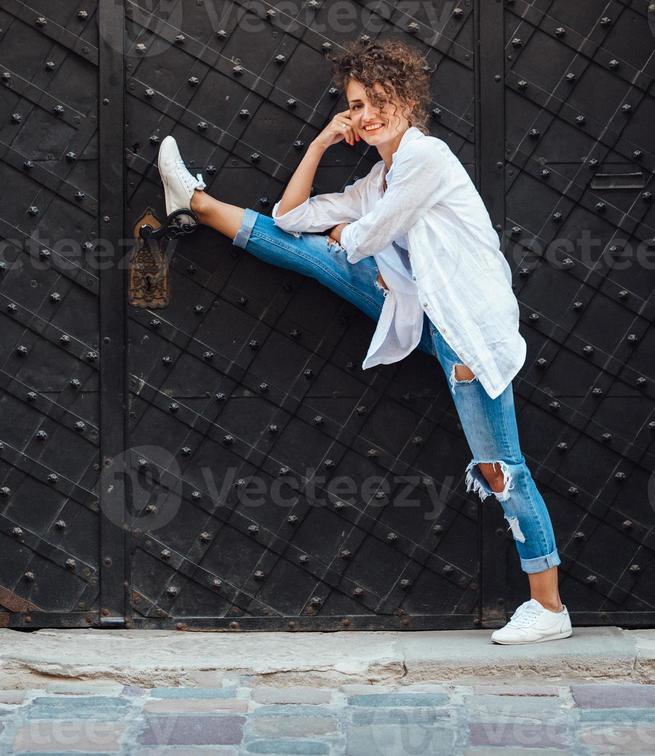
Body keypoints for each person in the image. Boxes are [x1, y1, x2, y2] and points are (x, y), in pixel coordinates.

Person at [157, 38, 572, 646]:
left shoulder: (428, 158)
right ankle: (192, 200)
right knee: (302, 244)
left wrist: (349, 235)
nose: (367, 113)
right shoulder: (378, 178)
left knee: (500, 466)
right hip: (423, 314)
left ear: (408, 100)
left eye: (378, 100)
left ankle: (549, 605)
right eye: (355, 105)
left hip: (468, 330)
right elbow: (291, 213)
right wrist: (324, 142)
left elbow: (369, 234)